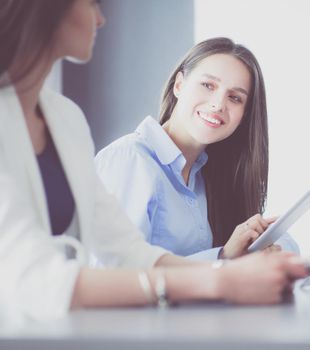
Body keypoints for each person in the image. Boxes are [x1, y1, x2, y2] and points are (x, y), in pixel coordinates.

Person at [0, 0, 307, 320]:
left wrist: (233, 270)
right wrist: (221, 277)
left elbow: (130, 253)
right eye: (92, 3)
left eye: (234, 97)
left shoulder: (65, 119)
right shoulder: (129, 159)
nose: (101, 19)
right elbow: (37, 281)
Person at [95, 38, 298, 260]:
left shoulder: (206, 175)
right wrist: (222, 258)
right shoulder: (129, 160)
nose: (219, 104)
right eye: (208, 85)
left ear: (244, 116)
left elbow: (288, 246)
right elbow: (116, 277)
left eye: (235, 97)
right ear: (179, 85)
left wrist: (263, 244)